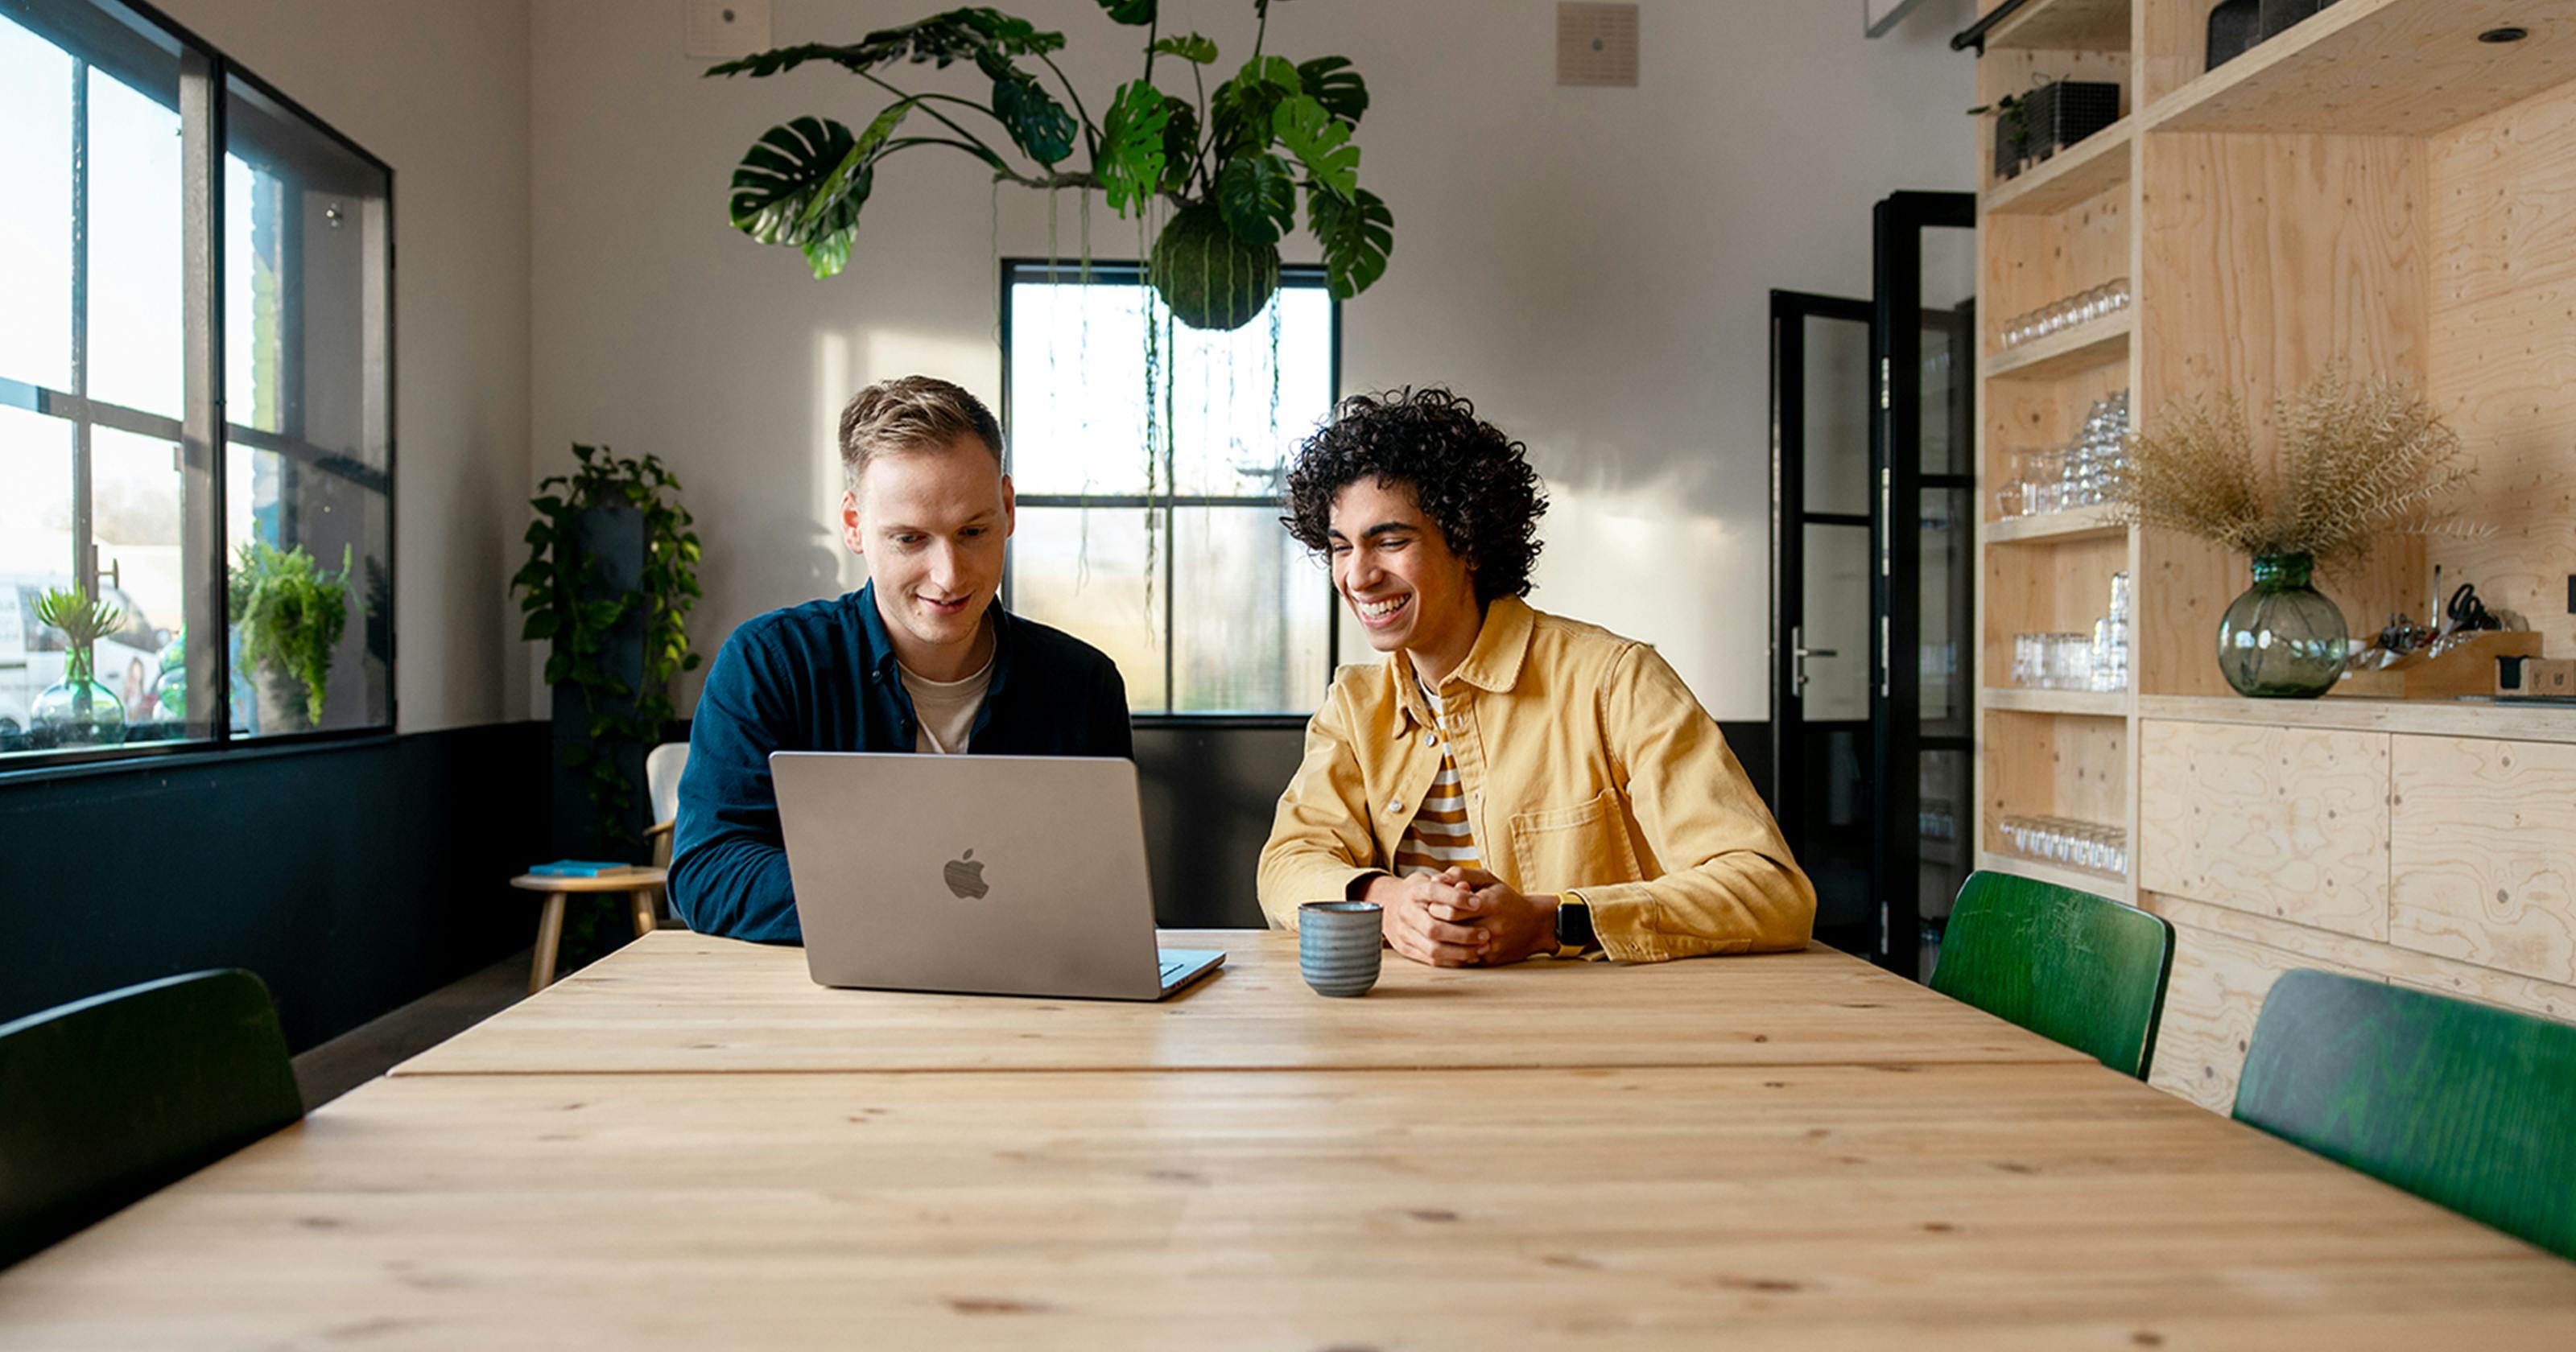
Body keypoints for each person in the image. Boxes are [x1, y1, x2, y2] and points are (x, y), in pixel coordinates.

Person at [1257, 387, 1814, 967]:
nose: (1359, 575)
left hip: (1596, 1033)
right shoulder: (1354, 704)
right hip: (1411, 1027)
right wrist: (1388, 902)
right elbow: (1287, 863)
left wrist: (1552, 922)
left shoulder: (1616, 680)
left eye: (1391, 541)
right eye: (1341, 547)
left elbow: (1769, 890)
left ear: (1467, 541)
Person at [670, 376, 1132, 942]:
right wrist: (914, 900)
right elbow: (708, 871)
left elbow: (1106, 888)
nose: (949, 575)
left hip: (1029, 1004)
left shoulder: (1084, 684)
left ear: (1008, 509)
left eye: (973, 531)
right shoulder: (769, 663)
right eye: (910, 540)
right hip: (826, 1010)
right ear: (854, 525)